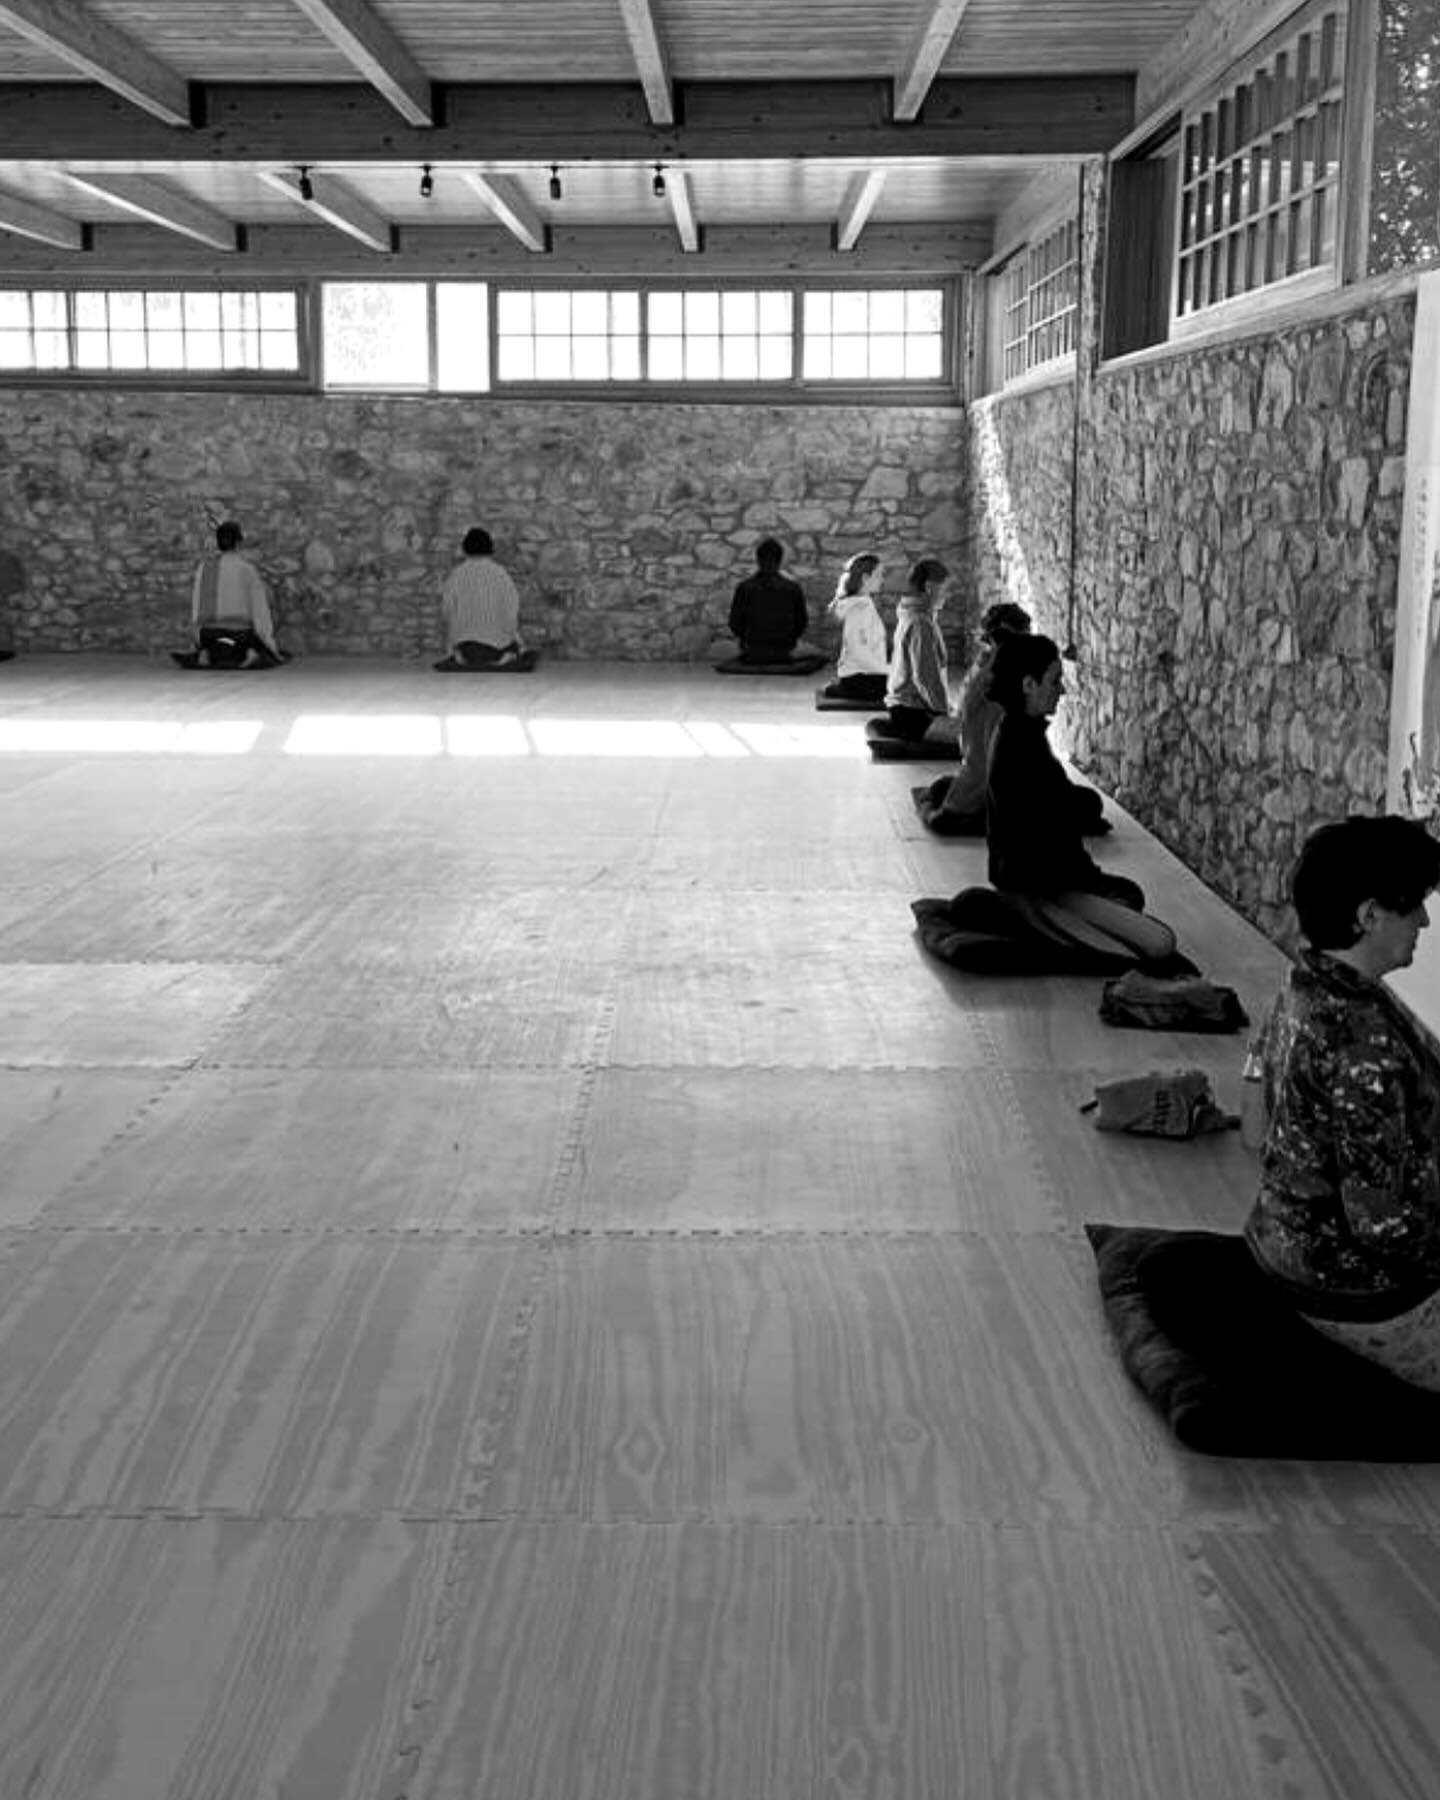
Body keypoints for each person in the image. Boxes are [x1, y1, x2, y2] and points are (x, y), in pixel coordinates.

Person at [1244, 815, 1440, 1391]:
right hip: (1353, 1295)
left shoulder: (1305, 985)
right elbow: (1382, 1227)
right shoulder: (1363, 1044)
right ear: (1369, 915)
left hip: (1277, 1247)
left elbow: (1256, 1128)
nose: (1425, 921)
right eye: (1414, 906)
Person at [985, 631, 1178, 965]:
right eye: (1054, 681)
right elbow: (1042, 848)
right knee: (1161, 943)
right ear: (1028, 684)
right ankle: (1049, 924)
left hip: (1049, 878)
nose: (1061, 690)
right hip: (1038, 888)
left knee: (1129, 893)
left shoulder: (1024, 734)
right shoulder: (1017, 747)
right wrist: (1085, 882)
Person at [915, 602, 1110, 838]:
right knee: (1090, 802)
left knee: (942, 788)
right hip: (990, 790)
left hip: (976, 777)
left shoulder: (982, 672)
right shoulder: (1003, 689)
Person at [173, 520, 282, 669]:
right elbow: (260, 612)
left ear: (218, 543)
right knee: (255, 644)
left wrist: (196, 642)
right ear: (238, 542)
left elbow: (196, 613)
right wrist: (271, 646)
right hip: (240, 637)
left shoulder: (204, 569)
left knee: (213, 642)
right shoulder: (247, 570)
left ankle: (206, 652)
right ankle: (249, 653)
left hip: (209, 636)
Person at [868, 557, 954, 743]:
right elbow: (926, 678)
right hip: (913, 713)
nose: (948, 595)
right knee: (977, 736)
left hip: (906, 708)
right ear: (930, 587)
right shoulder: (920, 623)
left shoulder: (914, 615)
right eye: (945, 589)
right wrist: (945, 712)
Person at [435, 527, 528, 671]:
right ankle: (503, 659)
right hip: (496, 649)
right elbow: (511, 613)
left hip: (465, 648)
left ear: (465, 548)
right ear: (490, 547)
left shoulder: (456, 575)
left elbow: (446, 611)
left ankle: (461, 658)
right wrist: (517, 640)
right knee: (521, 651)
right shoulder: (501, 574)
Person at [725, 538, 824, 671]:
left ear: (758, 560)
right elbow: (801, 623)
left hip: (752, 651)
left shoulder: (744, 588)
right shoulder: (793, 588)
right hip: (783, 650)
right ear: (780, 560)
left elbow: (735, 623)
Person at [820, 552, 888, 703]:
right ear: (865, 578)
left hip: (867, 675)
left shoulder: (864, 604)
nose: (882, 580)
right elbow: (859, 653)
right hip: (859, 680)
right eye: (879, 575)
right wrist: (888, 670)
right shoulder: (859, 608)